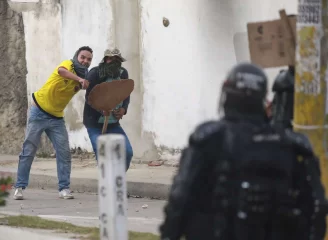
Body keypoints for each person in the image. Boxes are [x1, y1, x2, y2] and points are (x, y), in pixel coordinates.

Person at [159, 63, 327, 240]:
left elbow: (180, 200)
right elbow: (317, 206)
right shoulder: (293, 145)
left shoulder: (209, 139)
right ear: (263, 99)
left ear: (227, 93)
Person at [14, 46, 93, 200]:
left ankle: (64, 189)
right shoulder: (67, 65)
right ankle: (19, 187)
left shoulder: (84, 76)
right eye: (83, 57)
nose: (85, 61)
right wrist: (79, 79)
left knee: (64, 153)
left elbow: (91, 86)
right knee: (29, 150)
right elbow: (61, 71)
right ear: (77, 56)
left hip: (56, 118)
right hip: (38, 112)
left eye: (89, 59)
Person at [83, 48, 133, 171]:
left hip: (113, 124)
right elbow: (89, 98)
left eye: (117, 59)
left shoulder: (122, 74)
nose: (114, 62)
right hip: (94, 124)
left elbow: (125, 94)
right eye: (111, 59)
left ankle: (117, 181)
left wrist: (123, 109)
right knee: (103, 155)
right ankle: (107, 185)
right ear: (105, 60)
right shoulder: (95, 73)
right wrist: (101, 110)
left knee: (127, 152)